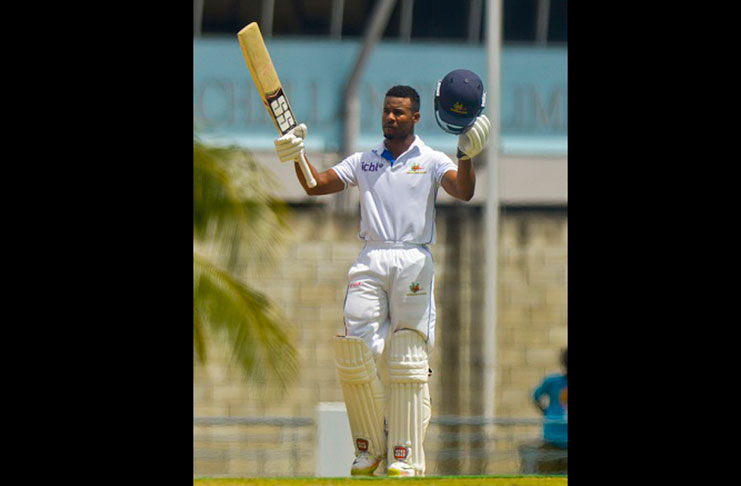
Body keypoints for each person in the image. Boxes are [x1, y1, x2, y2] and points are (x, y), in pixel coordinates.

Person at [273, 72, 491, 477]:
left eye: (400, 112)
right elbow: (315, 186)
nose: (391, 117)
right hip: (371, 257)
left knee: (407, 357)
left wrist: (466, 155)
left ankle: (404, 454)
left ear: (416, 117)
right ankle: (370, 448)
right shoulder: (365, 159)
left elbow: (463, 192)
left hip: (412, 257)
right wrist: (297, 157)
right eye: (387, 111)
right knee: (354, 351)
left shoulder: (431, 159)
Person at [530, 348, 568, 473]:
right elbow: (536, 397)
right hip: (553, 439)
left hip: (552, 437)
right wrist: (546, 412)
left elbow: (536, 397)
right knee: (548, 476)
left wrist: (547, 413)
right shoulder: (552, 381)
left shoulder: (552, 381)